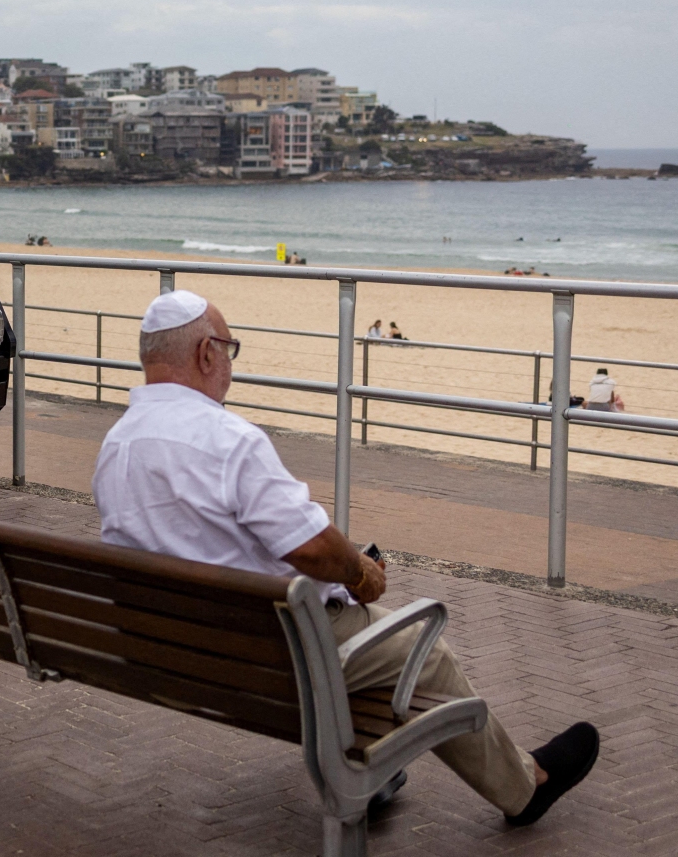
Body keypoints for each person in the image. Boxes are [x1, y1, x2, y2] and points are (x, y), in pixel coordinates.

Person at [92, 290, 600, 827]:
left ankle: (371, 772)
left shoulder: (117, 445)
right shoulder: (228, 441)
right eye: (230, 350)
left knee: (370, 643)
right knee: (422, 652)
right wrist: (360, 573)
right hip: (272, 652)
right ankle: (525, 787)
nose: (230, 367)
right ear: (206, 354)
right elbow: (310, 547)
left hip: (169, 651)